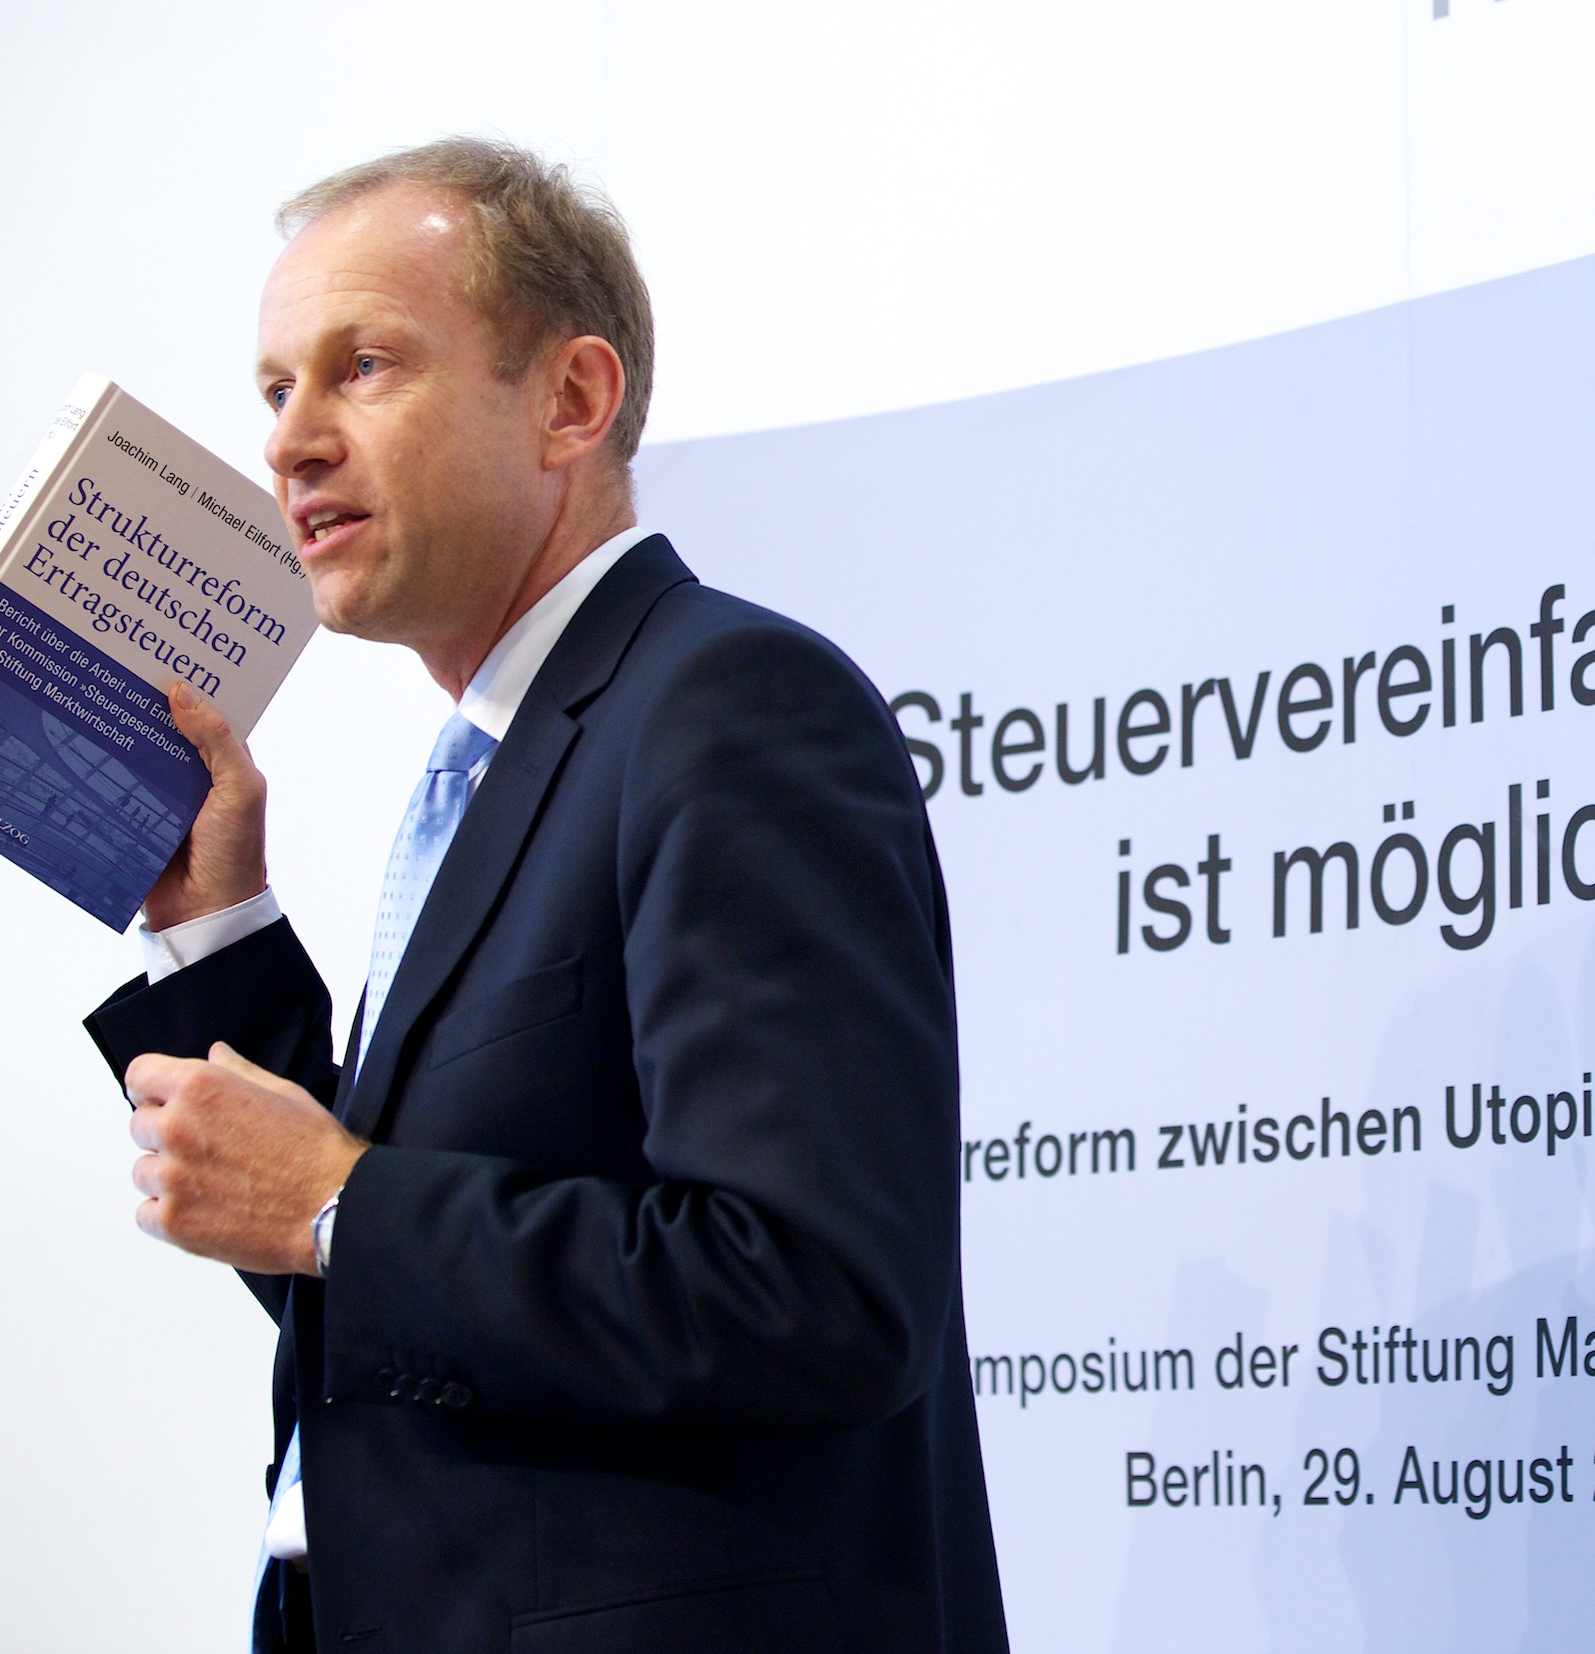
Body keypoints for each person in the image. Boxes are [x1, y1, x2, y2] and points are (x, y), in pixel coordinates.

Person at [82, 139, 1006, 1654]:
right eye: (275, 388)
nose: (291, 442)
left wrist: (339, 1204)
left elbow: (817, 1294)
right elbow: (395, 1295)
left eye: (362, 366)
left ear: (571, 400)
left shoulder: (727, 705)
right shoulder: (497, 765)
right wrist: (218, 928)